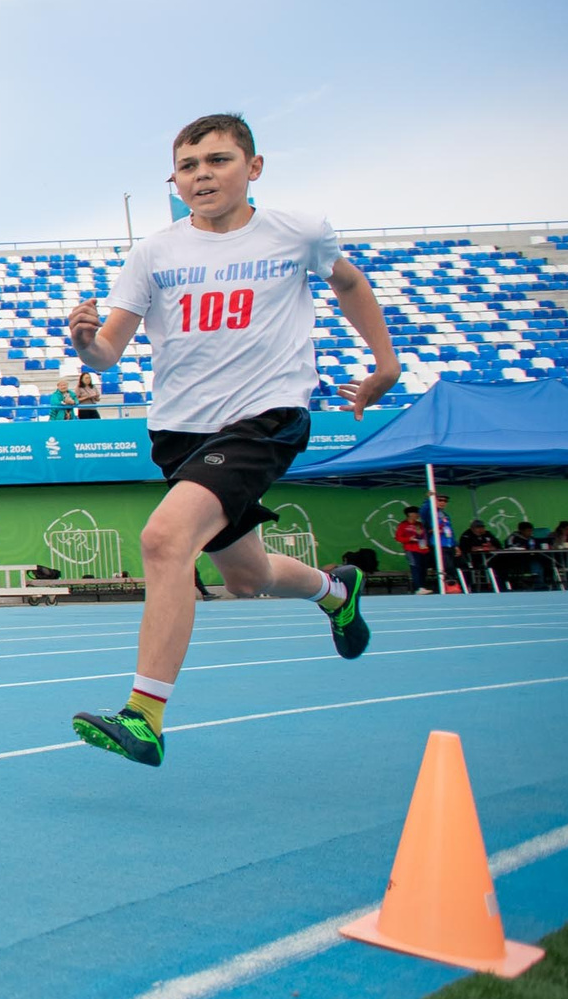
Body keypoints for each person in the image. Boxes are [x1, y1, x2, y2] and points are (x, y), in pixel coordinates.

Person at [61, 113, 397, 768]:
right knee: (250, 576)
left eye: (217, 160)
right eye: (189, 166)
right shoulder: (154, 253)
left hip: (265, 419)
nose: (203, 175)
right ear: (174, 178)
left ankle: (146, 715)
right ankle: (337, 590)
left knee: (164, 539)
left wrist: (385, 363)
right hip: (181, 432)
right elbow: (109, 352)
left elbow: (350, 283)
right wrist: (86, 344)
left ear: (254, 166)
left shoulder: (297, 232)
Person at [392, 505, 432, 593]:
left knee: (423, 569)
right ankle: (418, 587)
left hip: (422, 549)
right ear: (410, 514)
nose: (418, 515)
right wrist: (409, 539)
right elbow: (398, 537)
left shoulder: (419, 524)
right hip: (411, 550)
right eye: (416, 513)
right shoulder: (403, 525)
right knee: (415, 568)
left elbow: (422, 536)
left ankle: (422, 586)